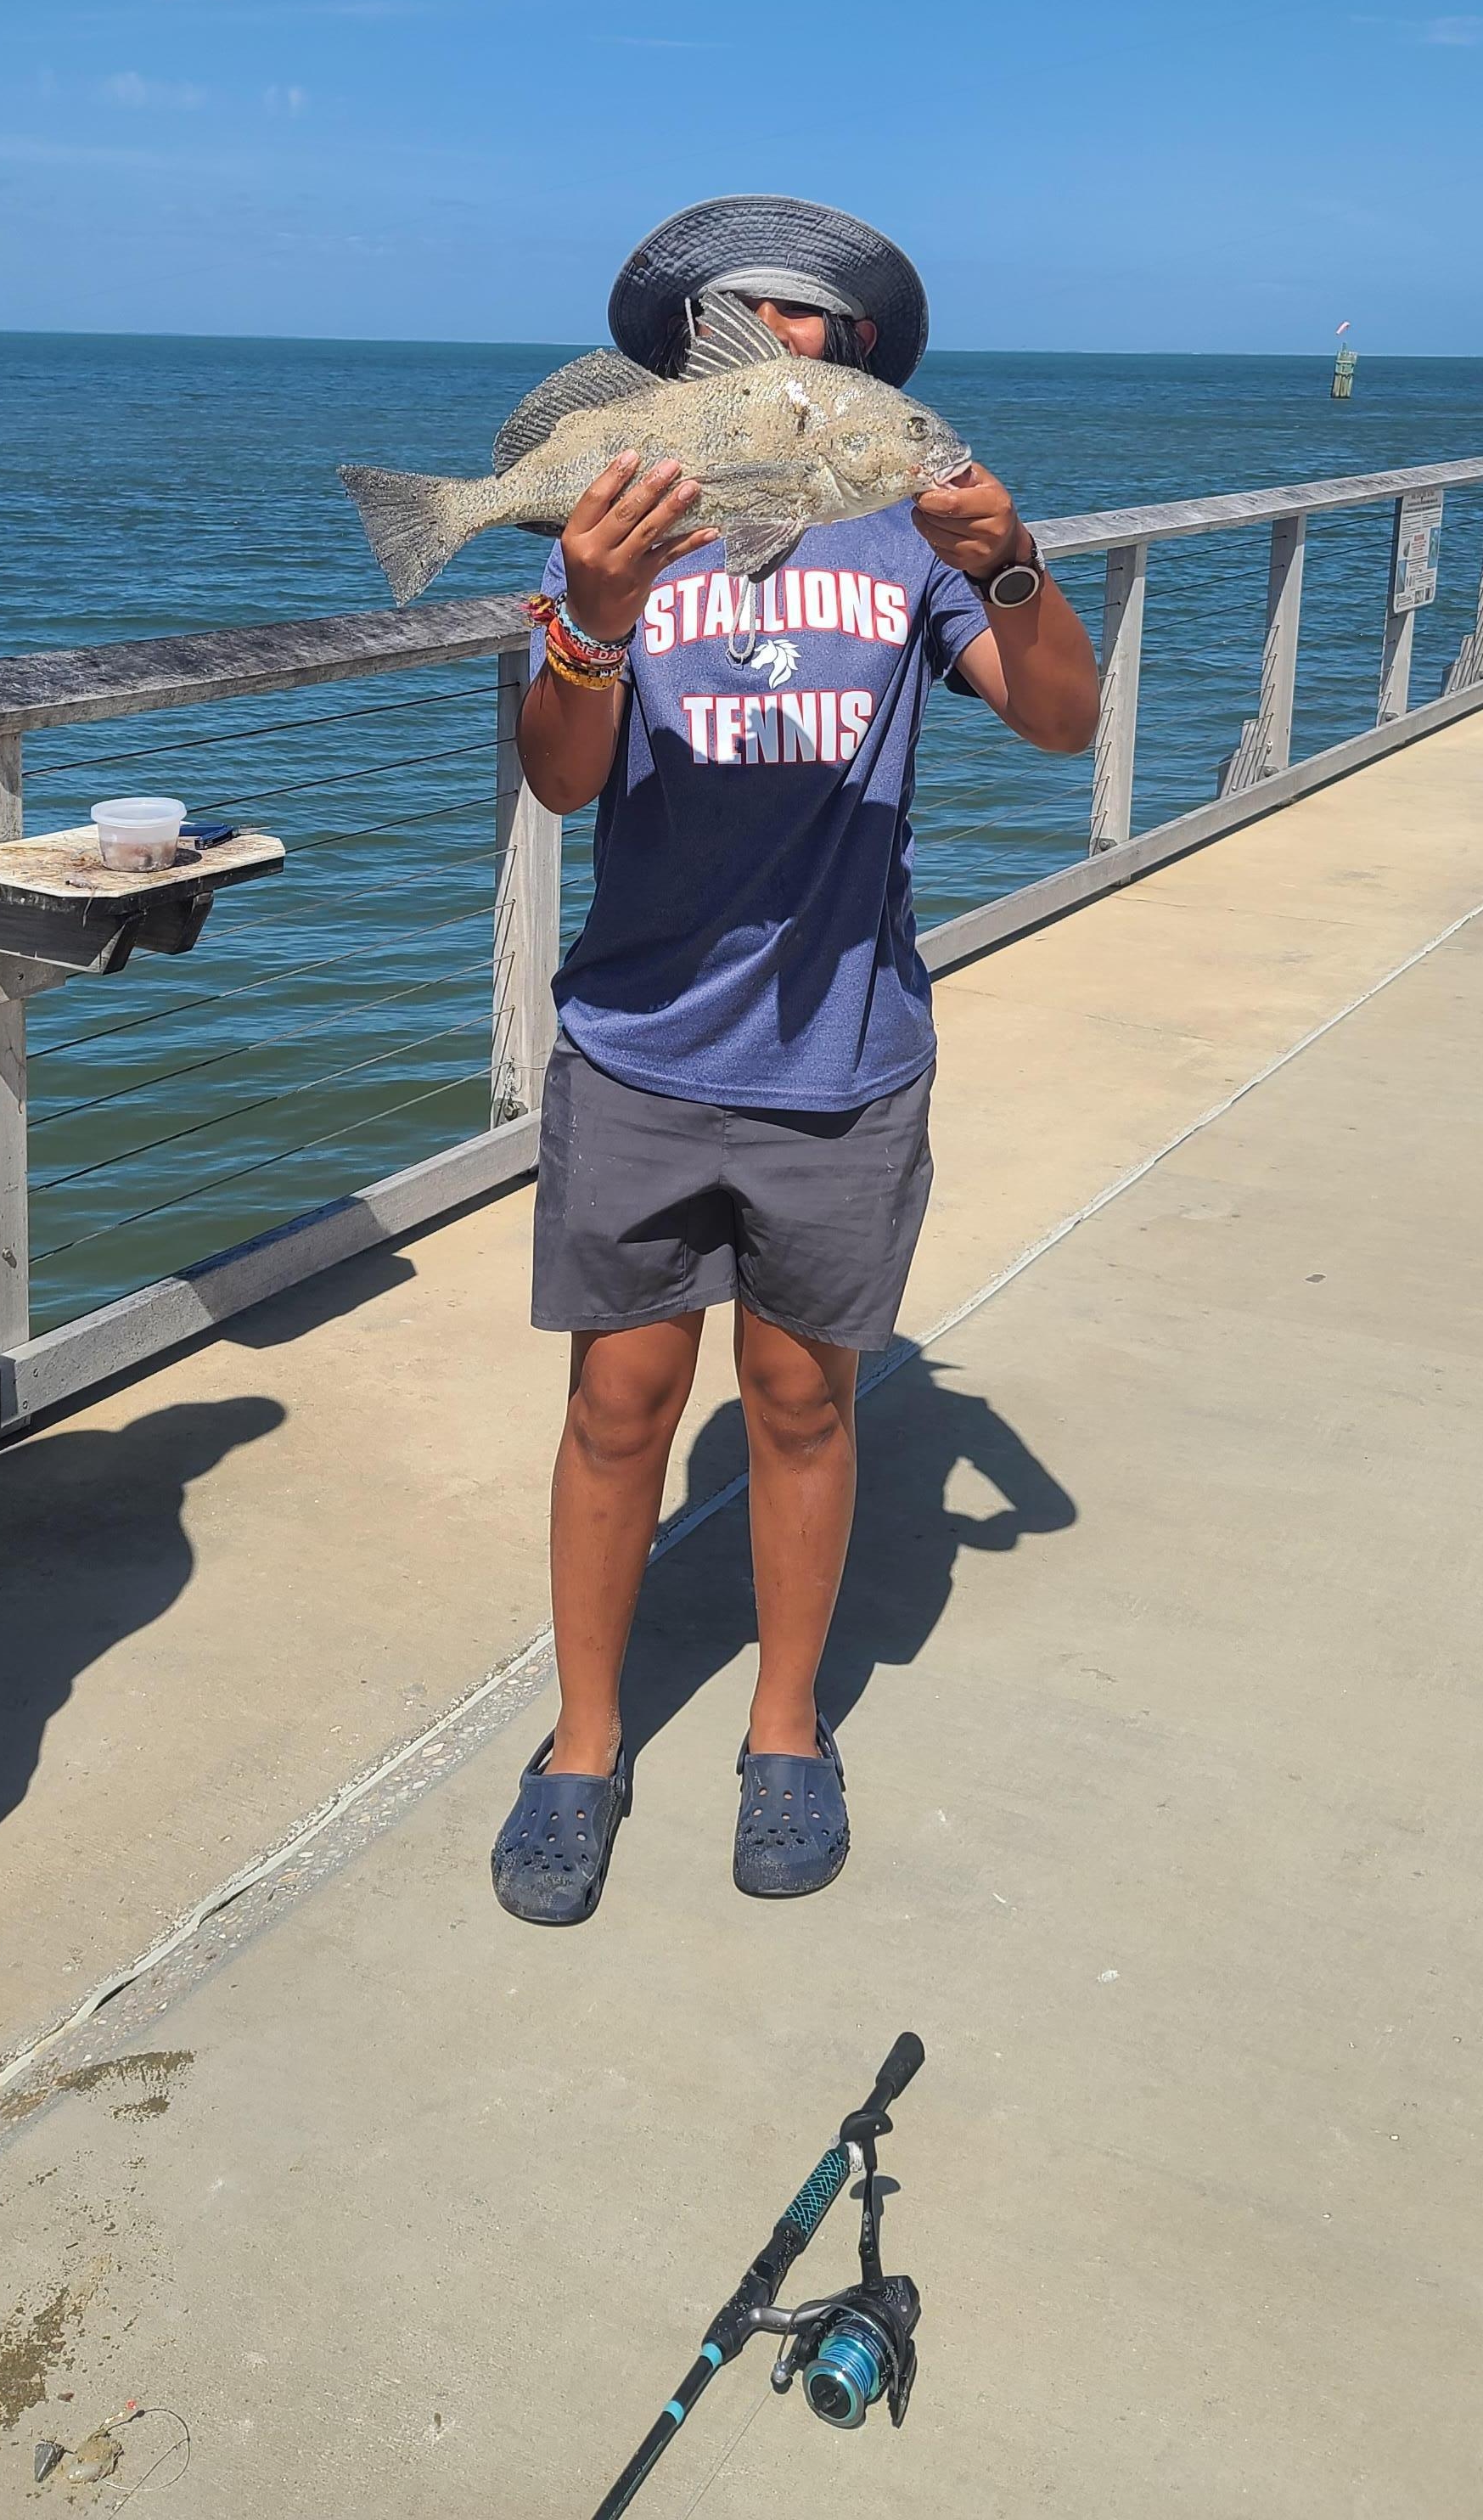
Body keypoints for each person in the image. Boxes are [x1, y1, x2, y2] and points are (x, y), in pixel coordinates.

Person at [491, 194, 1100, 1922]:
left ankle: (784, 1728)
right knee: (618, 1404)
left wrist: (1010, 558)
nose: (779, 334)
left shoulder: (905, 530)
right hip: (637, 1047)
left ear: (861, 361)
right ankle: (583, 1744)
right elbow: (560, 776)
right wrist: (590, 613)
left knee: (803, 1398)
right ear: (687, 347)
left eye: (813, 316)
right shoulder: (621, 515)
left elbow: (1062, 718)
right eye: (743, 309)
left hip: (844, 1054)